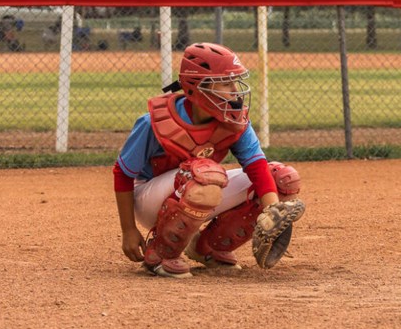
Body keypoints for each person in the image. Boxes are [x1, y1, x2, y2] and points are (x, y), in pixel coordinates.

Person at [113, 42, 304, 278]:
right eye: (226, 83)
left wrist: (274, 211)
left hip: (199, 185)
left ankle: (210, 247)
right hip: (148, 199)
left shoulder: (233, 119)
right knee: (205, 175)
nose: (235, 90)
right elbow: (122, 173)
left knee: (282, 180)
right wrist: (128, 229)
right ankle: (160, 253)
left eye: (235, 81)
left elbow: (257, 166)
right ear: (198, 87)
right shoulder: (153, 122)